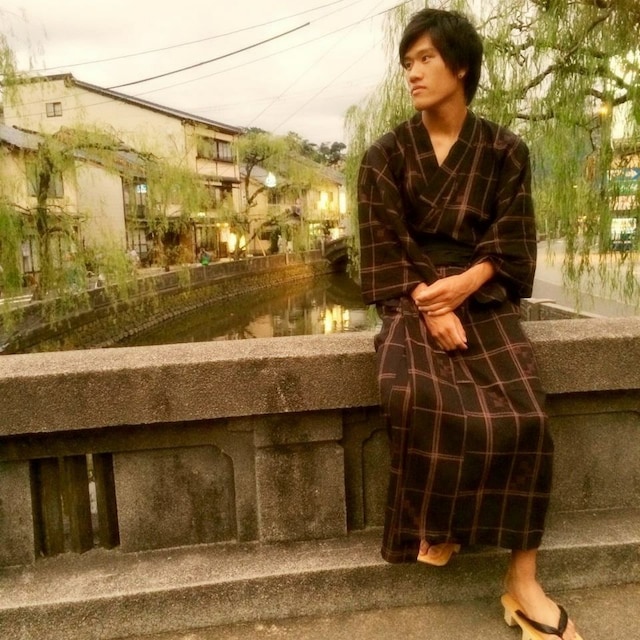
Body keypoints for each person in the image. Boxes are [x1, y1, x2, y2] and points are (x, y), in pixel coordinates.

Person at [357, 8, 582, 640]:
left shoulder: (505, 151)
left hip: (482, 293)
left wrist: (466, 285)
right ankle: (441, 523)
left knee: (527, 416)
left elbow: (512, 239)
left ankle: (523, 580)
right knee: (413, 392)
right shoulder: (383, 156)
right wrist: (431, 304)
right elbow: (380, 245)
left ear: (460, 66)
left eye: (426, 59)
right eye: (407, 62)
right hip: (412, 294)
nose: (413, 72)